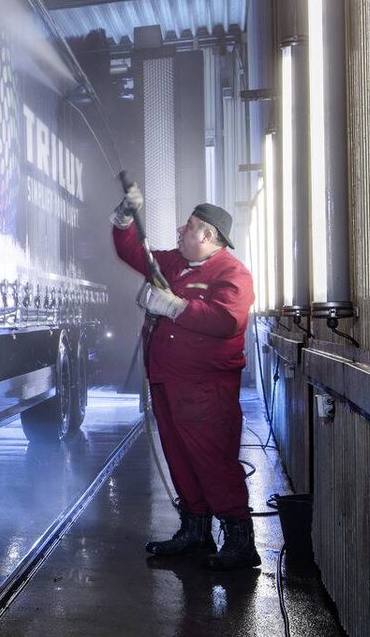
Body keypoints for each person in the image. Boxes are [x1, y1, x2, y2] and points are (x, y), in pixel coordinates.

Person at [111, 186, 259, 571]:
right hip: (166, 380)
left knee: (212, 460)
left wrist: (175, 306)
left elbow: (228, 320)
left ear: (208, 235)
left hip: (204, 388)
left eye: (189, 226)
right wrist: (125, 219)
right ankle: (195, 531)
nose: (181, 230)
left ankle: (240, 540)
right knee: (179, 456)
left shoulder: (232, 273)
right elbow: (134, 252)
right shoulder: (175, 264)